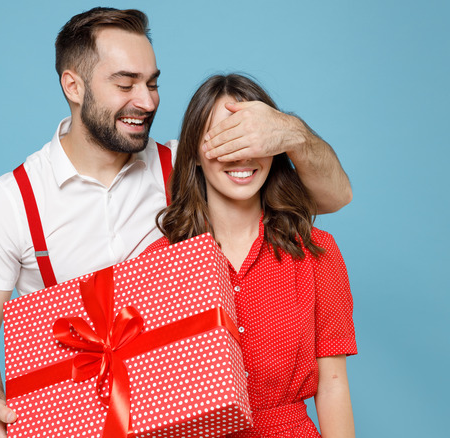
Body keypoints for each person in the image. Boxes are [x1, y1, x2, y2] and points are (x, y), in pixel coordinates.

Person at [0, 8, 353, 438]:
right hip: (80, 420)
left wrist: (291, 132)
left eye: (153, 83)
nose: (146, 101)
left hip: (188, 415)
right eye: (125, 84)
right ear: (73, 85)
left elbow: (329, 197)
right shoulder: (13, 201)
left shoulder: (183, 166)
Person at [143, 73, 356, 437]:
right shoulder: (159, 263)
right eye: (224, 140)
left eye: (251, 139)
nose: (240, 155)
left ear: (275, 149)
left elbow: (333, 384)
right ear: (193, 152)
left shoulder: (317, 252)